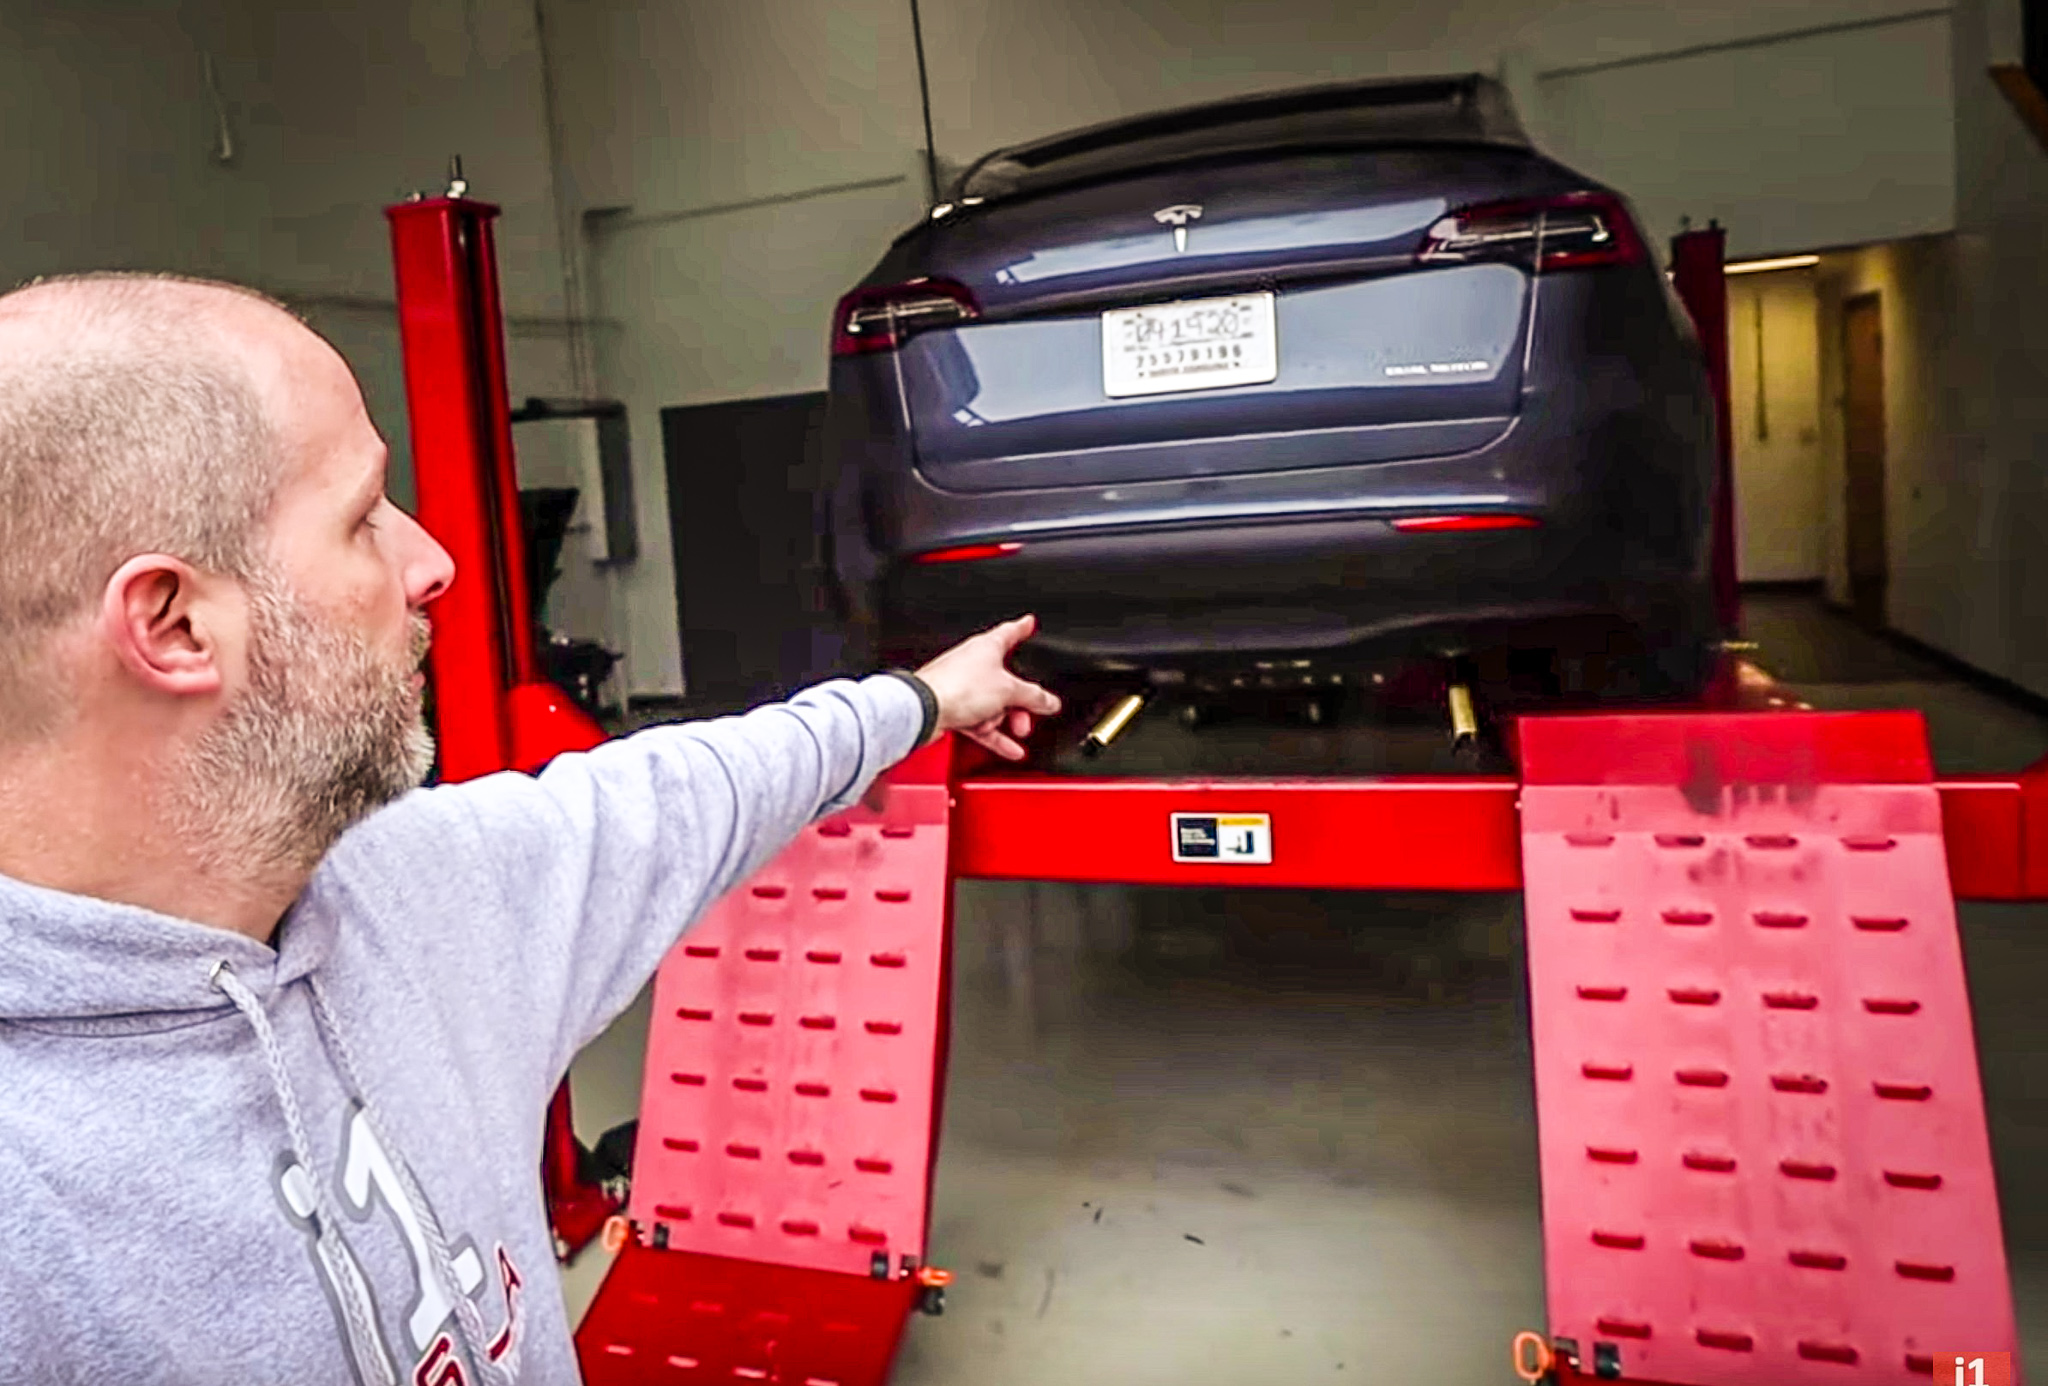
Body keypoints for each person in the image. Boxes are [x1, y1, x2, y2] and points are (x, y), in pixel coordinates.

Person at [0, 273, 1061, 1385]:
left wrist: (920, 702)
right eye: (363, 517)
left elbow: (698, 786)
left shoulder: (423, 893)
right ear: (172, 625)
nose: (432, 564)